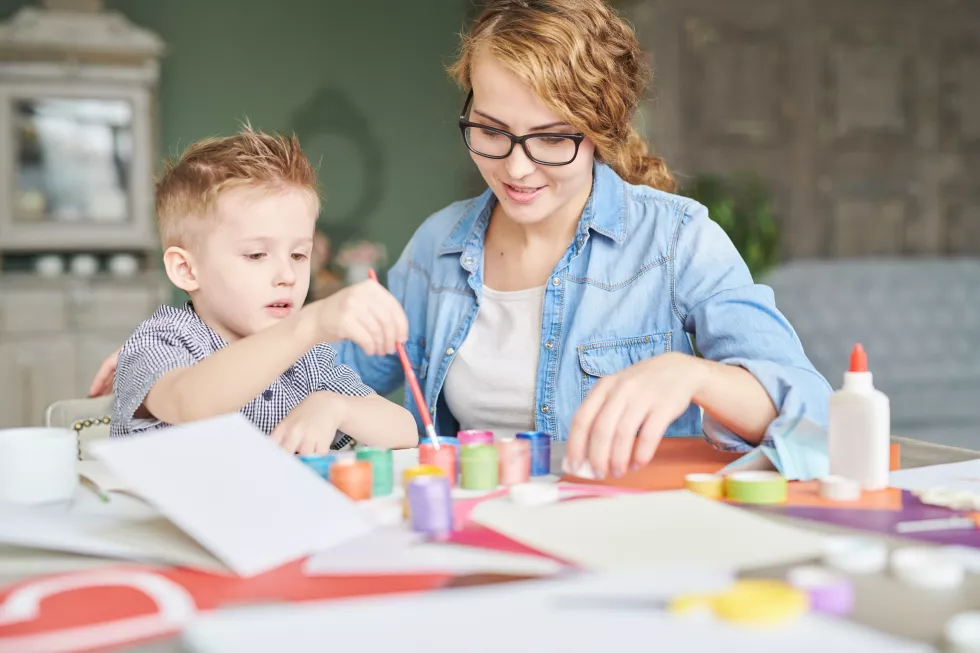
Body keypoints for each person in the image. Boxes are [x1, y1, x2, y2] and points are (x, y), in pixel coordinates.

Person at [92, 0, 831, 479]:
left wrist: (693, 376)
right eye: (490, 130)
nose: (514, 166)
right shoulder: (442, 245)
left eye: (550, 139)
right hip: (469, 533)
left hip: (624, 535)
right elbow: (321, 363)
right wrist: (195, 344)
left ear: (601, 129)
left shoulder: (676, 241)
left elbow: (817, 417)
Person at [109, 126, 418, 454]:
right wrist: (310, 324)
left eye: (299, 255)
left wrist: (334, 406)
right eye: (256, 254)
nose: (287, 275)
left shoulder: (307, 359)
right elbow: (189, 402)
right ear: (186, 270)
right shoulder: (160, 342)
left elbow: (405, 430)